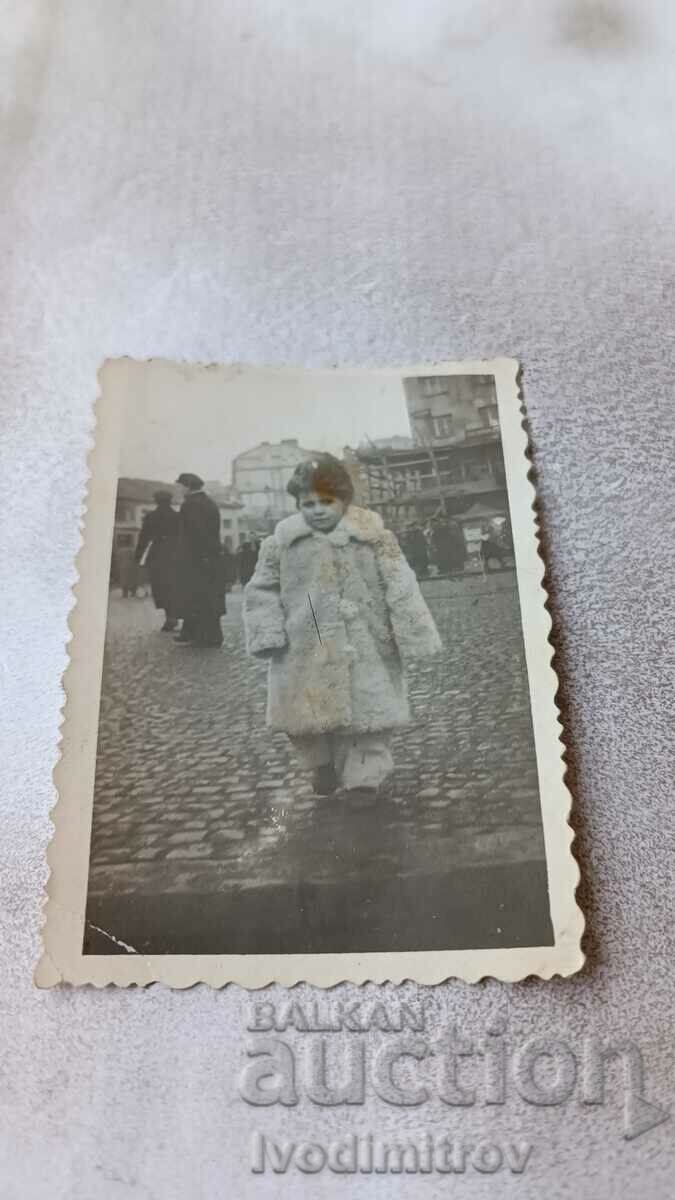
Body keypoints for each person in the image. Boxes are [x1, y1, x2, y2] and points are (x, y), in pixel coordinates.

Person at [243, 454, 442, 802]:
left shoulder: (375, 538)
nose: (317, 510)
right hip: (303, 644)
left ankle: (364, 778)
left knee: (367, 716)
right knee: (306, 716)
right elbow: (261, 589)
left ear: (344, 500)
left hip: (366, 641)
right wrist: (268, 632)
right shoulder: (281, 544)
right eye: (309, 503)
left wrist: (412, 631)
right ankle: (319, 764)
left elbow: (401, 584)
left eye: (327, 502)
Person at [173, 473, 225, 647]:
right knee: (209, 597)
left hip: (196, 559)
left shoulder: (191, 505)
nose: (178, 489)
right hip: (211, 557)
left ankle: (204, 636)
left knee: (197, 597)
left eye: (179, 486)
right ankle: (204, 634)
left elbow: (196, 534)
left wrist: (196, 557)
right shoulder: (209, 502)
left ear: (187, 486)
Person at [134, 490, 180, 630]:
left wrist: (138, 557)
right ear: (170, 500)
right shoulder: (177, 516)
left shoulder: (151, 517)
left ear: (156, 501)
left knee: (161, 586)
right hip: (175, 555)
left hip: (158, 555)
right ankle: (174, 615)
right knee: (174, 585)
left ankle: (169, 617)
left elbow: (143, 538)